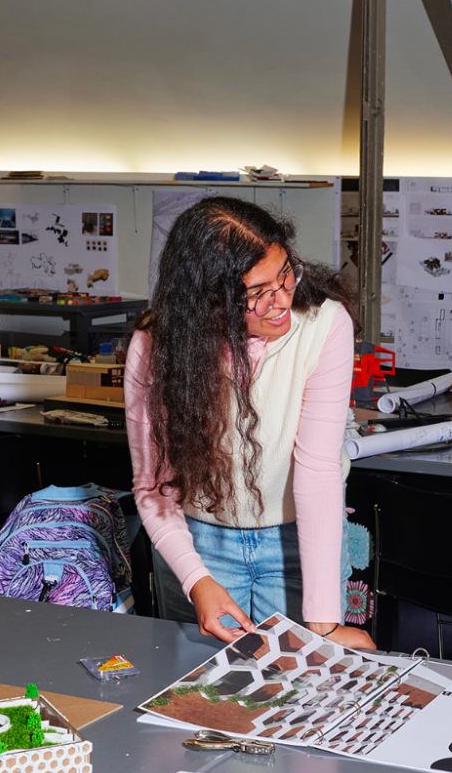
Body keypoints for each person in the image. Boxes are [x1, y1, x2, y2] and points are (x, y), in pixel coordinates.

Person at [128, 199, 375, 649]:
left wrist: (323, 622)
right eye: (257, 292)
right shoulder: (157, 346)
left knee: (303, 701)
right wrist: (196, 580)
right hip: (198, 543)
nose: (282, 300)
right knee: (199, 699)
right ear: (209, 299)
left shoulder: (324, 325)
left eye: (286, 274)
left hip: (300, 545)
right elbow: (153, 487)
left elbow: (318, 468)